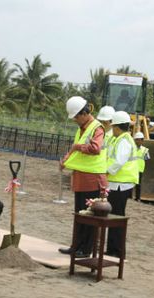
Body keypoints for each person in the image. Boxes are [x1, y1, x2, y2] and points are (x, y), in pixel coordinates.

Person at [58, 96, 108, 258]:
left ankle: (86, 249)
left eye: (76, 117)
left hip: (92, 179)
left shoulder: (96, 128)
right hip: (81, 177)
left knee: (89, 215)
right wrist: (66, 159)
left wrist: (78, 147)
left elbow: (95, 148)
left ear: (84, 113)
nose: (75, 121)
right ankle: (76, 245)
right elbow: (75, 151)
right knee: (79, 214)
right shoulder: (82, 129)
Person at [105, 111, 138, 257]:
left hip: (120, 184)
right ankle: (113, 249)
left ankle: (117, 251)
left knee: (117, 217)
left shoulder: (124, 140)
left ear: (117, 127)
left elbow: (118, 161)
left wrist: (105, 172)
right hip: (116, 183)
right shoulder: (117, 139)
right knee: (113, 216)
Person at [133, 132, 150, 201]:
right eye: (137, 139)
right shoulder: (132, 148)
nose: (138, 141)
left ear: (142, 140)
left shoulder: (145, 150)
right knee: (129, 182)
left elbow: (147, 158)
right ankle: (129, 196)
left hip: (139, 169)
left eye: (139, 139)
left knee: (138, 184)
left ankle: (137, 197)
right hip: (131, 168)